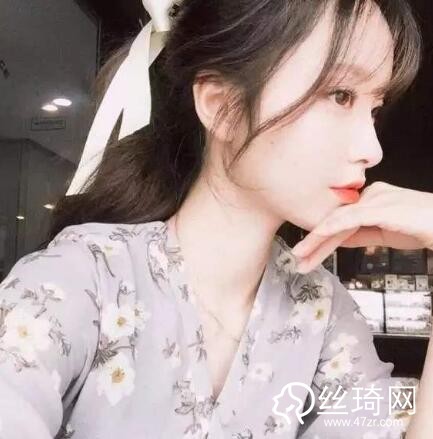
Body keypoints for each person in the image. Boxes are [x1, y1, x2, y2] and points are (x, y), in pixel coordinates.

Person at [0, 0, 428, 437]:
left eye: (374, 108)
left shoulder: (324, 311)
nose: (372, 149)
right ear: (222, 106)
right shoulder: (82, 280)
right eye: (340, 95)